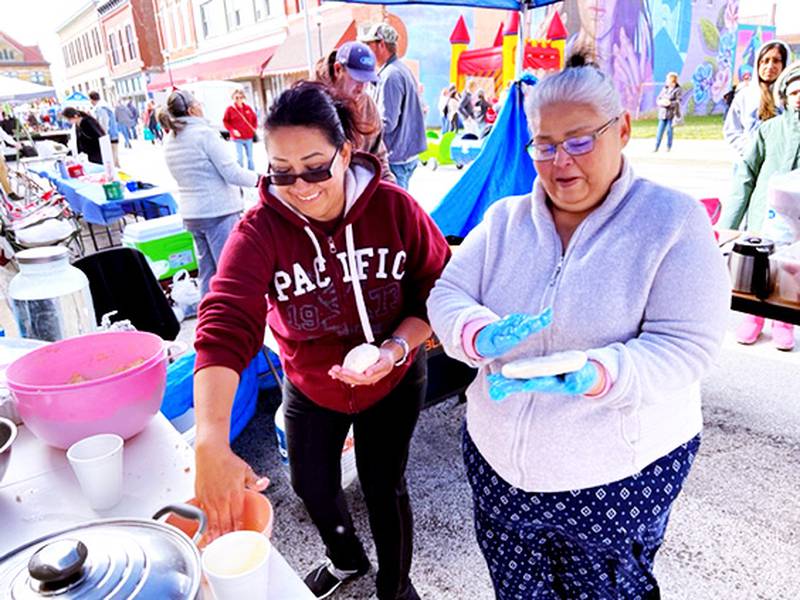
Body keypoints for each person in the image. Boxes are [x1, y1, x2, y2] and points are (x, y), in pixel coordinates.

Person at [427, 55, 730, 599]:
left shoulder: (671, 222)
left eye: (580, 141)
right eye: (544, 145)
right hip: (500, 470)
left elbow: (689, 345)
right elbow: (447, 294)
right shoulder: (502, 221)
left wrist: (600, 372)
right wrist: (474, 332)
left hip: (615, 478)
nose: (560, 161)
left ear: (622, 131)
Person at [192, 81, 450, 600]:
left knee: (384, 486)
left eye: (315, 166)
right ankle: (346, 560)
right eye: (282, 171)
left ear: (346, 152)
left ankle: (396, 588)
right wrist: (210, 440)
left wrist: (396, 349)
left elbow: (439, 292)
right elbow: (224, 326)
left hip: (394, 377)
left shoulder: (395, 210)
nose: (302, 185)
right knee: (311, 485)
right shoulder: (258, 232)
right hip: (309, 383)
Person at [725, 61, 800, 350]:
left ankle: (784, 322)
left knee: (790, 272)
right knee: (757, 267)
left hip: (795, 223)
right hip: (763, 215)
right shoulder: (769, 130)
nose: (799, 97)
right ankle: (753, 318)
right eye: (795, 92)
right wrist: (730, 223)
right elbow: (745, 176)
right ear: (785, 96)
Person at [158, 90, 259, 297]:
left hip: (192, 214)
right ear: (192, 109)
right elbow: (232, 173)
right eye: (199, 103)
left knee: (207, 272)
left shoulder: (171, 138)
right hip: (217, 211)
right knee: (229, 270)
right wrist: (262, 179)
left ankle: (208, 318)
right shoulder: (204, 135)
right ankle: (231, 318)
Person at [315, 41, 396, 183]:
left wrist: (392, 188)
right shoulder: (311, 102)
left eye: (367, 80)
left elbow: (379, 156)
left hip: (359, 194)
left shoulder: (367, 105)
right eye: (357, 78)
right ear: (338, 69)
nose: (362, 88)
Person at [360, 23, 426, 190]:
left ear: (381, 44)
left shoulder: (390, 76)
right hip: (404, 155)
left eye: (369, 45)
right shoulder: (399, 69)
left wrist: (360, 130)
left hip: (396, 158)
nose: (366, 50)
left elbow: (387, 123)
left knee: (397, 211)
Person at [723, 40, 791, 160]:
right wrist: (750, 151)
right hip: (750, 162)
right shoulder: (745, 95)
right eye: (765, 61)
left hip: (782, 162)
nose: (769, 66)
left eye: (776, 61)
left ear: (784, 64)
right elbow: (732, 130)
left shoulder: (791, 95)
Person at [222, 89, 258, 170]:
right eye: (236, 98)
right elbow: (225, 121)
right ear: (233, 98)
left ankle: (252, 175)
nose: (239, 99)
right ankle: (240, 175)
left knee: (250, 158)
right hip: (237, 138)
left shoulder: (248, 108)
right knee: (240, 158)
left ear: (243, 98)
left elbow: (254, 119)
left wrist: (253, 129)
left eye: (241, 97)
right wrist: (232, 130)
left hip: (248, 137)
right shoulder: (230, 109)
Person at [89, 91, 120, 167]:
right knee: (115, 158)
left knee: (111, 160)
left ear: (92, 99)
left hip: (109, 136)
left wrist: (102, 135)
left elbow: (104, 123)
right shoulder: (105, 106)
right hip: (113, 135)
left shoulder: (100, 108)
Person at [654, 71, 682, 152]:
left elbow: (678, 101)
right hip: (663, 113)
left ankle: (668, 146)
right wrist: (660, 102)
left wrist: (670, 103)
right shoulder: (664, 89)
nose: (666, 81)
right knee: (660, 131)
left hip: (671, 114)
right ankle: (656, 146)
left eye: (668, 80)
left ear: (672, 81)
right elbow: (659, 98)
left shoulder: (677, 90)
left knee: (669, 131)